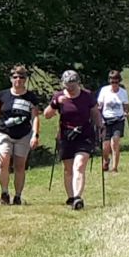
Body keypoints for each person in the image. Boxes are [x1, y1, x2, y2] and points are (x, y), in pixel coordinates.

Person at [0, 66, 45, 204]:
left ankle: (18, 195)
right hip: (4, 133)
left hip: (23, 135)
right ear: (11, 79)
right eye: (15, 77)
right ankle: (4, 193)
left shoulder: (31, 97)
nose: (18, 80)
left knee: (20, 166)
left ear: (25, 79)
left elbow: (35, 117)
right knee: (3, 162)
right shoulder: (3, 95)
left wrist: (35, 135)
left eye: (21, 77)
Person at [43, 70, 99, 208]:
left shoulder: (87, 96)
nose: (70, 88)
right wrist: (55, 103)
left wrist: (101, 127)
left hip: (84, 134)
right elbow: (47, 115)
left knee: (79, 165)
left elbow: (95, 113)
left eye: (73, 85)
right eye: (68, 85)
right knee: (68, 169)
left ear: (78, 83)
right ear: (63, 84)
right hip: (66, 135)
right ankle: (71, 197)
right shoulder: (59, 96)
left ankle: (78, 197)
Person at [97, 70, 129, 174]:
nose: (114, 84)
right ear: (109, 81)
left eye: (116, 82)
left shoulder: (123, 92)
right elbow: (100, 105)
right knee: (105, 146)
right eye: (112, 82)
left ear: (119, 81)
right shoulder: (104, 90)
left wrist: (127, 113)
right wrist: (96, 113)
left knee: (115, 142)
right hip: (105, 120)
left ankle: (115, 167)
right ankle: (106, 160)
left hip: (118, 119)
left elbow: (126, 107)